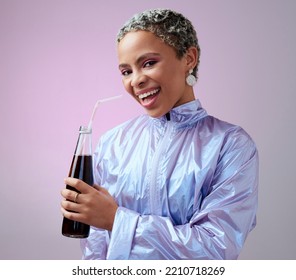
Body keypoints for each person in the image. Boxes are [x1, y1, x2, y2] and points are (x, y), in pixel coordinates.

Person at [61, 8, 258, 260]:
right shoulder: (113, 143)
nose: (136, 80)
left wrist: (116, 220)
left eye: (149, 63)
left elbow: (215, 249)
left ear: (189, 58)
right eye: (126, 71)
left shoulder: (230, 146)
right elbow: (97, 246)